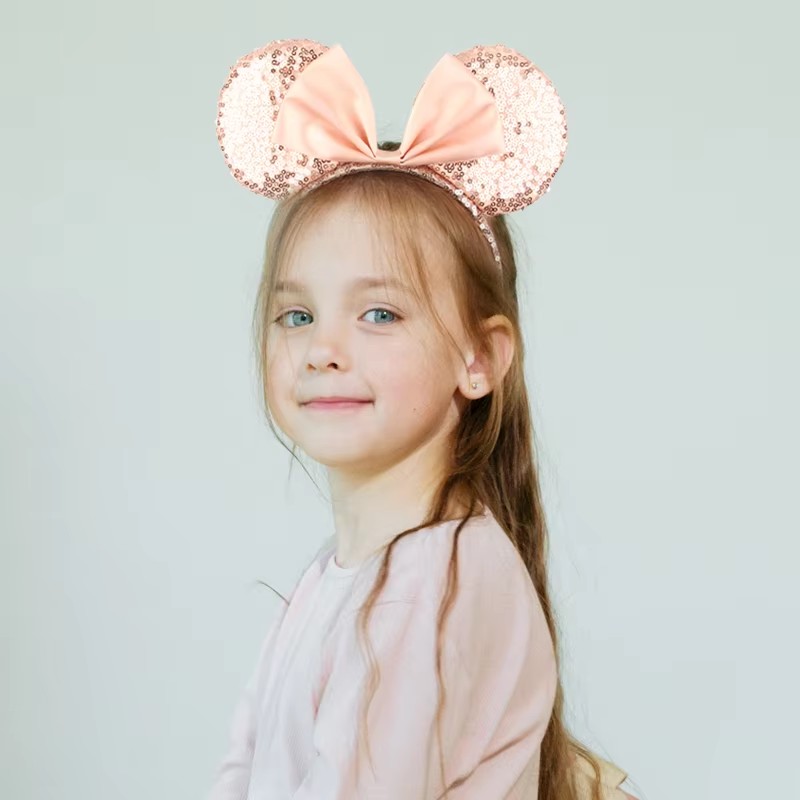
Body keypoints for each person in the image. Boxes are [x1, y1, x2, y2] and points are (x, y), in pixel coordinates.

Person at [208, 39, 640, 800]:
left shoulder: (428, 584)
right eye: (297, 314)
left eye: (379, 313)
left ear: (480, 357)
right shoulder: (345, 575)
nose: (323, 350)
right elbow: (241, 772)